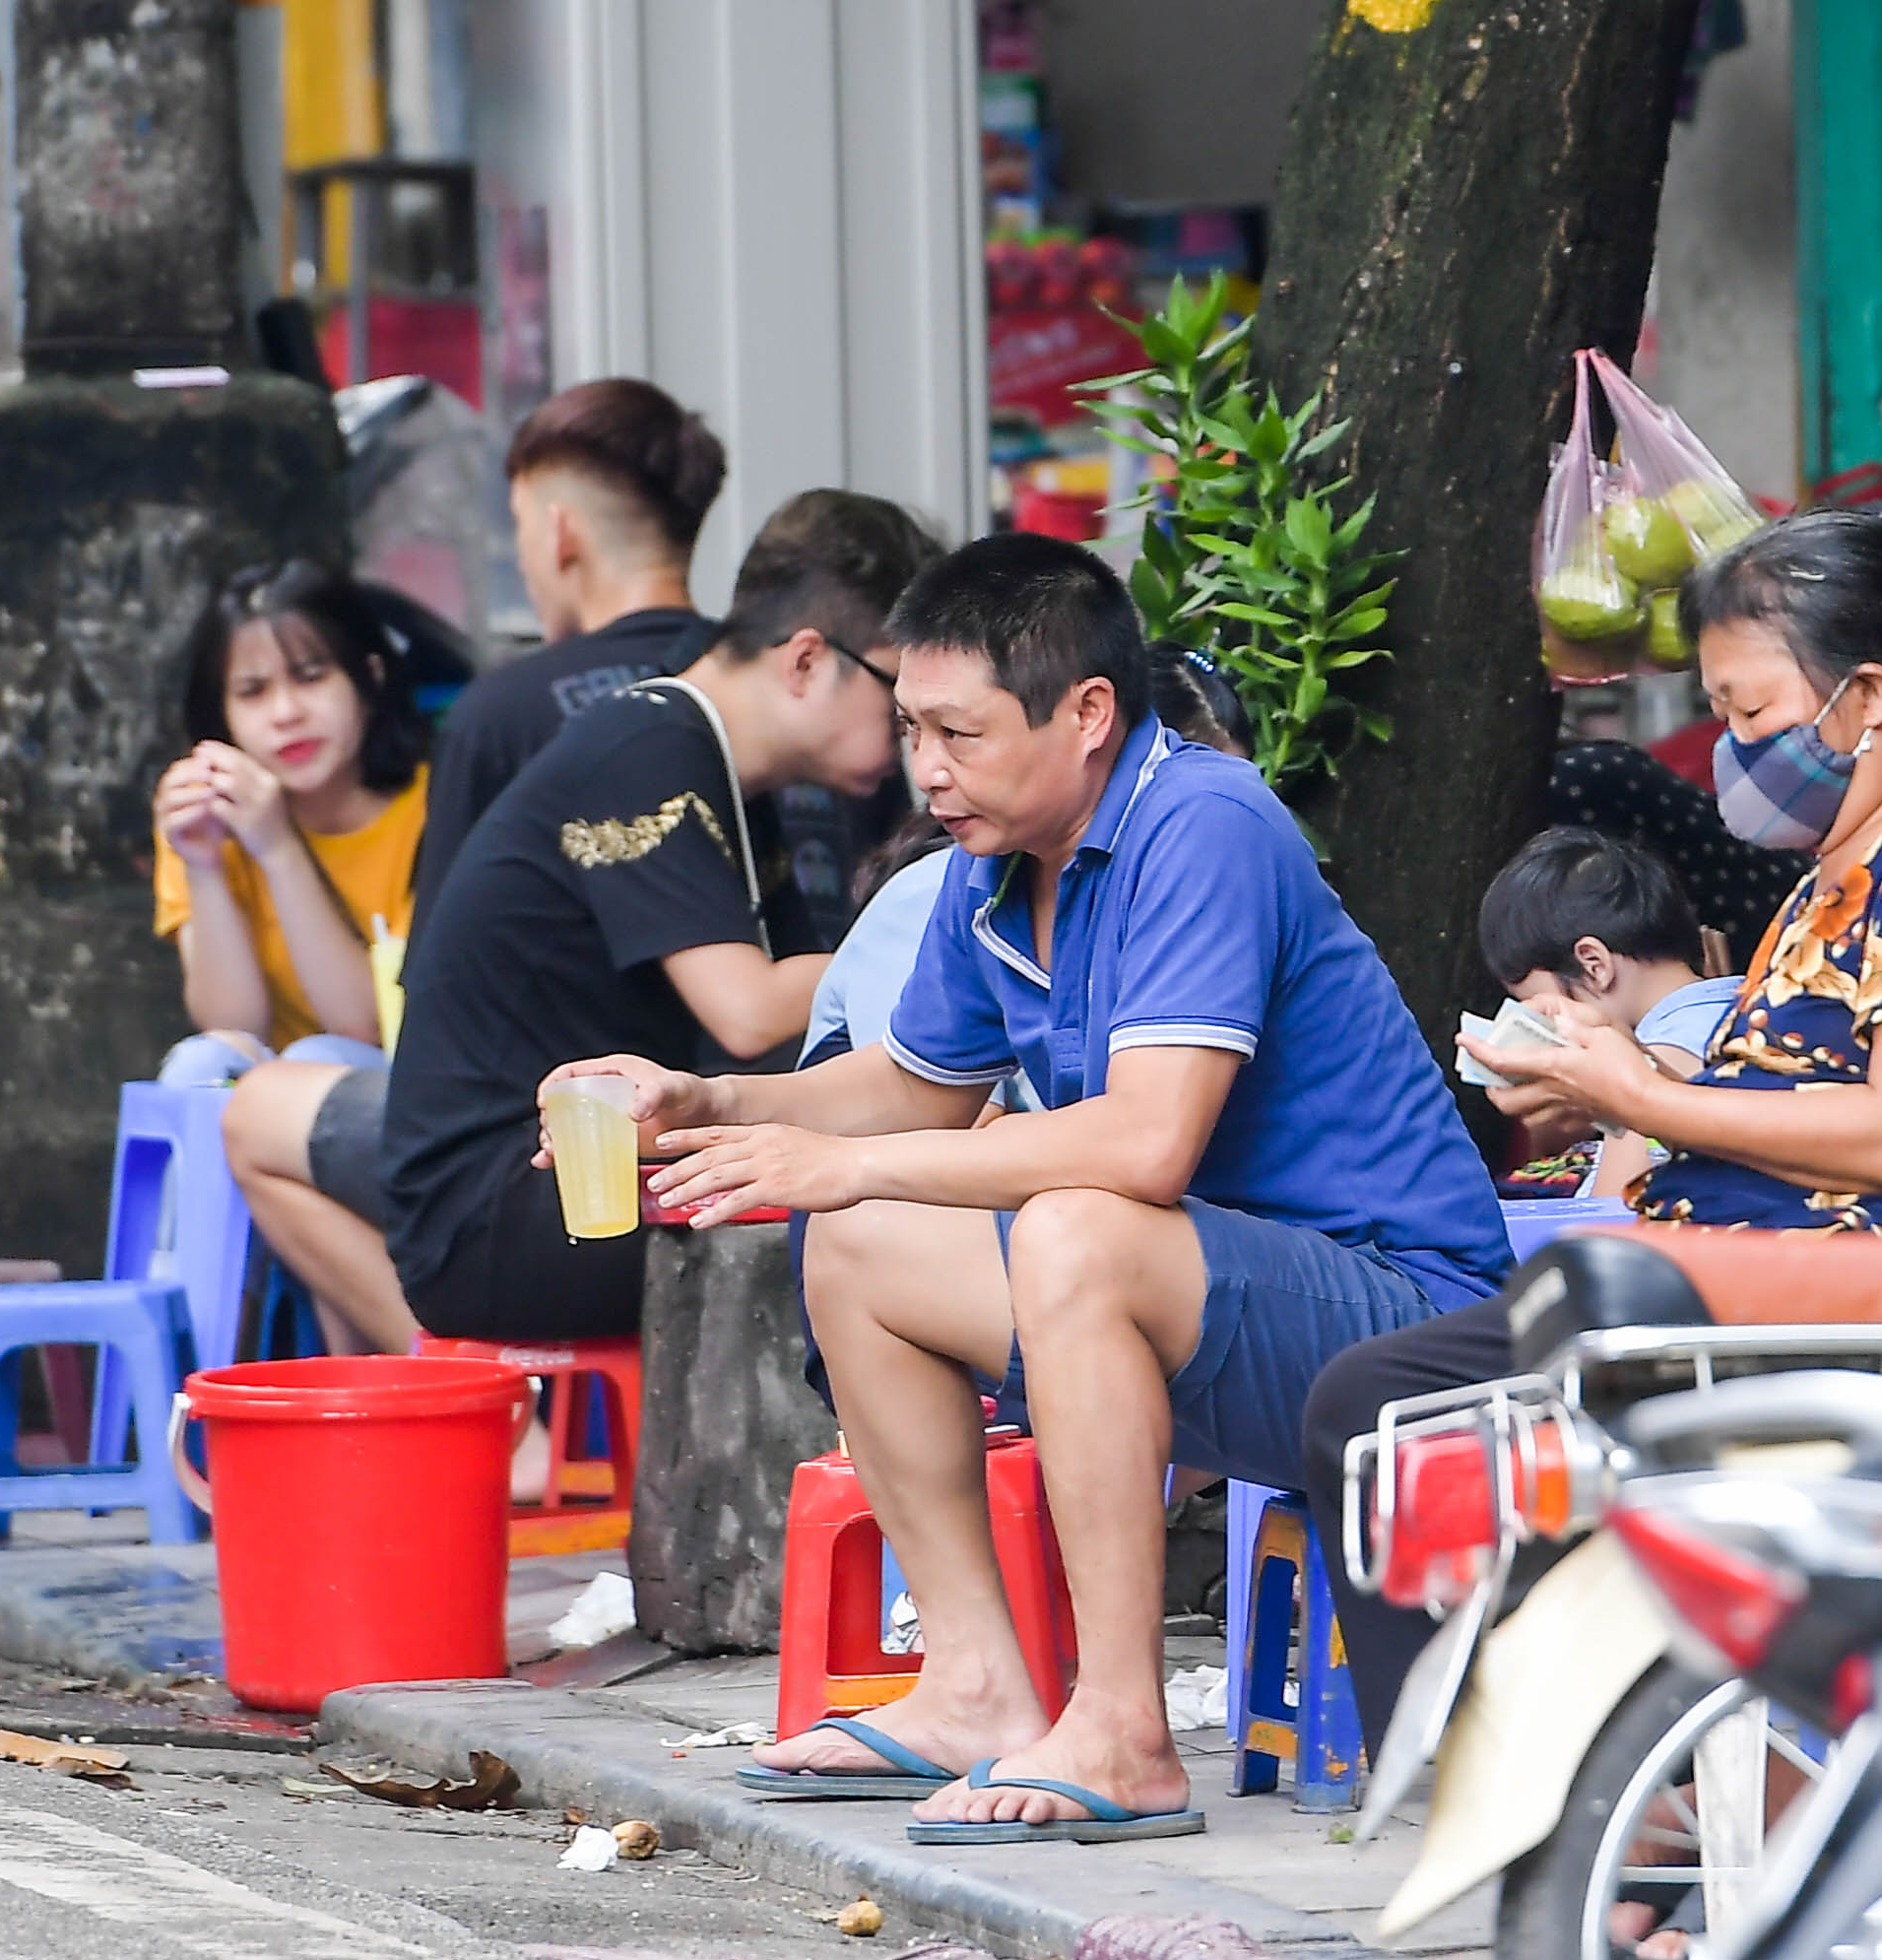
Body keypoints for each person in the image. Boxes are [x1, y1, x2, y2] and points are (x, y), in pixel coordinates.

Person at [578, 534, 1509, 1839]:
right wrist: (711, 1102)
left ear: (1086, 715)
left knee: (1074, 1226)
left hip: (1408, 1333)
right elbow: (907, 1089)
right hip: (1215, 1309)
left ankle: (1125, 1733)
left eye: (958, 732)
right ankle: (973, 1686)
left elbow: (1144, 1149)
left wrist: (842, 1163)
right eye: (910, 728)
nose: (926, 770)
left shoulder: (1203, 821)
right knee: (860, 1243)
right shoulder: (991, 865)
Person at [1308, 506, 1882, 1744]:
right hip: (1738, 1274)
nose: (1733, 752)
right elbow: (1776, 1100)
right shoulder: (1847, 864)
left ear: (1869, 696)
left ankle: (1541, 1802)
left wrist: (1640, 1097)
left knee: (1374, 1406)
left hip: (1853, 1293)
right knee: (1379, 1398)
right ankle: (1565, 1802)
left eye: (1752, 716)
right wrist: (1598, 1085)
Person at [316, 491, 938, 1354]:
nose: (921, 742)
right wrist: (948, 951)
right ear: (805, 661)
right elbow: (750, 1008)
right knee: (881, 1218)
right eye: (899, 699)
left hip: (596, 1162)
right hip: (502, 1205)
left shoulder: (730, 776)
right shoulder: (642, 751)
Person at [408, 378, 730, 908]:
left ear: (561, 534)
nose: (521, 560)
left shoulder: (499, 719)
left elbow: (439, 975)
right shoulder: (772, 687)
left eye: (520, 528)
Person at [153, 560, 429, 1060]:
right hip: (271, 1095)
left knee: (317, 1060)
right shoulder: (200, 810)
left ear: (370, 678)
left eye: (311, 677)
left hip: (398, 1084)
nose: (286, 714)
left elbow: (367, 1026)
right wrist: (203, 866)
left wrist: (277, 848)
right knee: (200, 1063)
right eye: (252, 692)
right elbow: (234, 1027)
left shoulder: (434, 808)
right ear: (224, 714)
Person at [1471, 827, 1739, 1200]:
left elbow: (1610, 1225)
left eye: (1537, 1007)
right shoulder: (1754, 1004)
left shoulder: (1648, 1067)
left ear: (1594, 965)